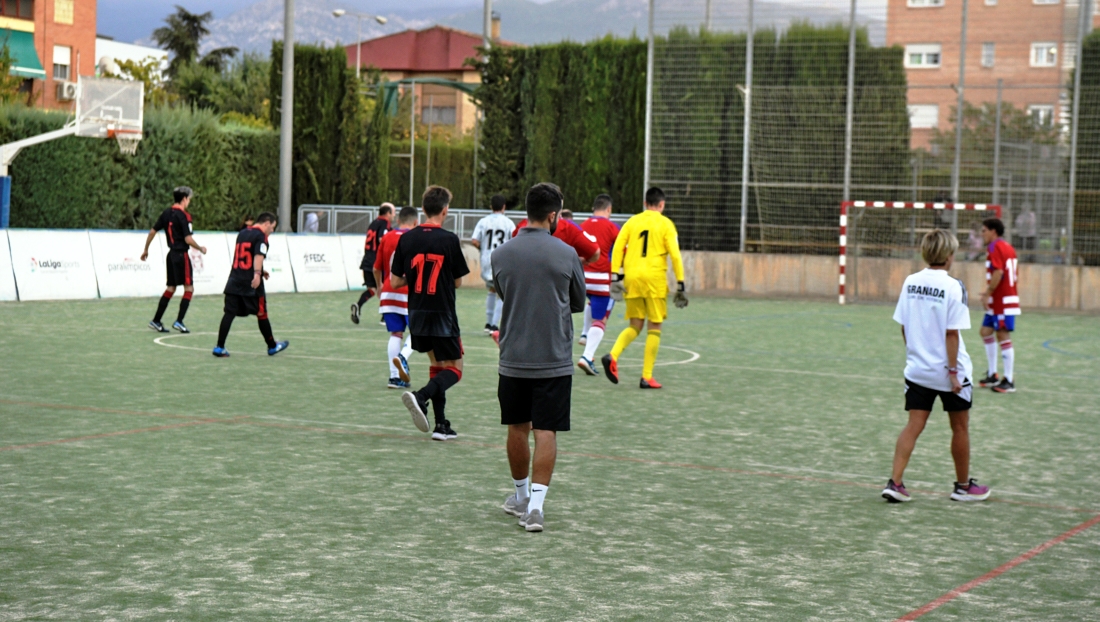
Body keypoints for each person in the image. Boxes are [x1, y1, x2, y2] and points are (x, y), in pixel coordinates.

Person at [492, 182, 586, 532]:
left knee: (517, 427)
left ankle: (519, 496)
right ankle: (536, 507)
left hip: (514, 355)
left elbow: (504, 294)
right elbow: (577, 302)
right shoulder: (566, 253)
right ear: (552, 215)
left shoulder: (501, 254)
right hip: (555, 358)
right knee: (546, 431)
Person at [882, 229, 990, 504]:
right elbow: (951, 334)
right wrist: (953, 373)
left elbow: (904, 326)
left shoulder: (910, 281)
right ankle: (963, 487)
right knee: (960, 427)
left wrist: (916, 356)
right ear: (949, 255)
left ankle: (895, 483)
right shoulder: (954, 286)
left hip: (918, 371)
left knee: (913, 425)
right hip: (949, 373)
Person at [391, 186, 470, 441]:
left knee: (436, 366)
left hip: (417, 312)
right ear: (445, 210)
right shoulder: (448, 239)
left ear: (423, 209)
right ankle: (421, 396)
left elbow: (395, 282)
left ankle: (441, 425)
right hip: (442, 313)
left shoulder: (406, 239)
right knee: (455, 369)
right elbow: (458, 282)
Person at [601, 187, 687, 389]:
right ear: (662, 205)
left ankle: (612, 356)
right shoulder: (666, 224)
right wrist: (681, 283)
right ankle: (646, 376)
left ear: (644, 204)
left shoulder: (632, 222)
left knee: (635, 325)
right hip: (654, 279)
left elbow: (619, 245)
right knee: (654, 326)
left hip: (632, 278)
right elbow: (675, 255)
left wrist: (615, 276)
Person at [212, 212, 289, 357]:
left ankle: (219, 347)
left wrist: (260, 270)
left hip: (234, 279)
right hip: (250, 283)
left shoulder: (242, 233)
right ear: (266, 223)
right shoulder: (261, 236)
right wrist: (257, 274)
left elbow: (244, 257)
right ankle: (272, 346)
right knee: (261, 313)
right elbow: (258, 255)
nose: (271, 231)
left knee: (229, 313)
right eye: (272, 227)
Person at [141, 186, 207, 334]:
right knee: (189, 288)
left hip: (171, 255)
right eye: (189, 199)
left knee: (171, 288)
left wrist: (146, 249)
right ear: (184, 199)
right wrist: (201, 248)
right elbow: (188, 239)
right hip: (182, 255)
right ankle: (179, 321)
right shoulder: (184, 216)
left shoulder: (166, 213)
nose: (189, 202)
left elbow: (152, 231)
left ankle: (156, 320)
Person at [374, 207, 418, 389]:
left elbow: (376, 268)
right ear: (415, 223)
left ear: (398, 220)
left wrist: (379, 287)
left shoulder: (387, 237)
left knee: (395, 334)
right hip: (407, 292)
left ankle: (394, 377)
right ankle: (403, 357)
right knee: (419, 333)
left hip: (388, 291)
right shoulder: (415, 238)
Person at [577, 194, 621, 375]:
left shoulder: (582, 225)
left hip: (582, 278)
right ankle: (587, 356)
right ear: (609, 209)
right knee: (601, 319)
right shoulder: (612, 227)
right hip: (602, 280)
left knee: (591, 302)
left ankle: (585, 334)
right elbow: (622, 251)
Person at [977, 218, 1020, 394]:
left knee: (1002, 334)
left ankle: (1008, 380)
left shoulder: (994, 247)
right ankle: (993, 373)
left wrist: (988, 293)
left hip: (1002, 300)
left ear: (993, 231)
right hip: (999, 300)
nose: (982, 233)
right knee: (985, 331)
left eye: (984, 230)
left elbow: (999, 272)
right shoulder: (1008, 247)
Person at [470, 194, 516, 333]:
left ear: (491, 206)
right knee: (503, 292)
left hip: (487, 258)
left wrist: (483, 248)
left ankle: (488, 323)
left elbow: (474, 240)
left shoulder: (483, 221)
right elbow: (514, 239)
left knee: (491, 289)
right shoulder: (508, 223)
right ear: (504, 207)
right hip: (502, 259)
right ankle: (494, 325)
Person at [351, 203, 394, 324]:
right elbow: (382, 239)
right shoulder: (385, 223)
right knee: (387, 288)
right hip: (377, 262)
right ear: (387, 213)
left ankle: (358, 305)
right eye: (393, 213)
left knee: (373, 289)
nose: (394, 216)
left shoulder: (373, 223)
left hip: (366, 261)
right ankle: (385, 317)